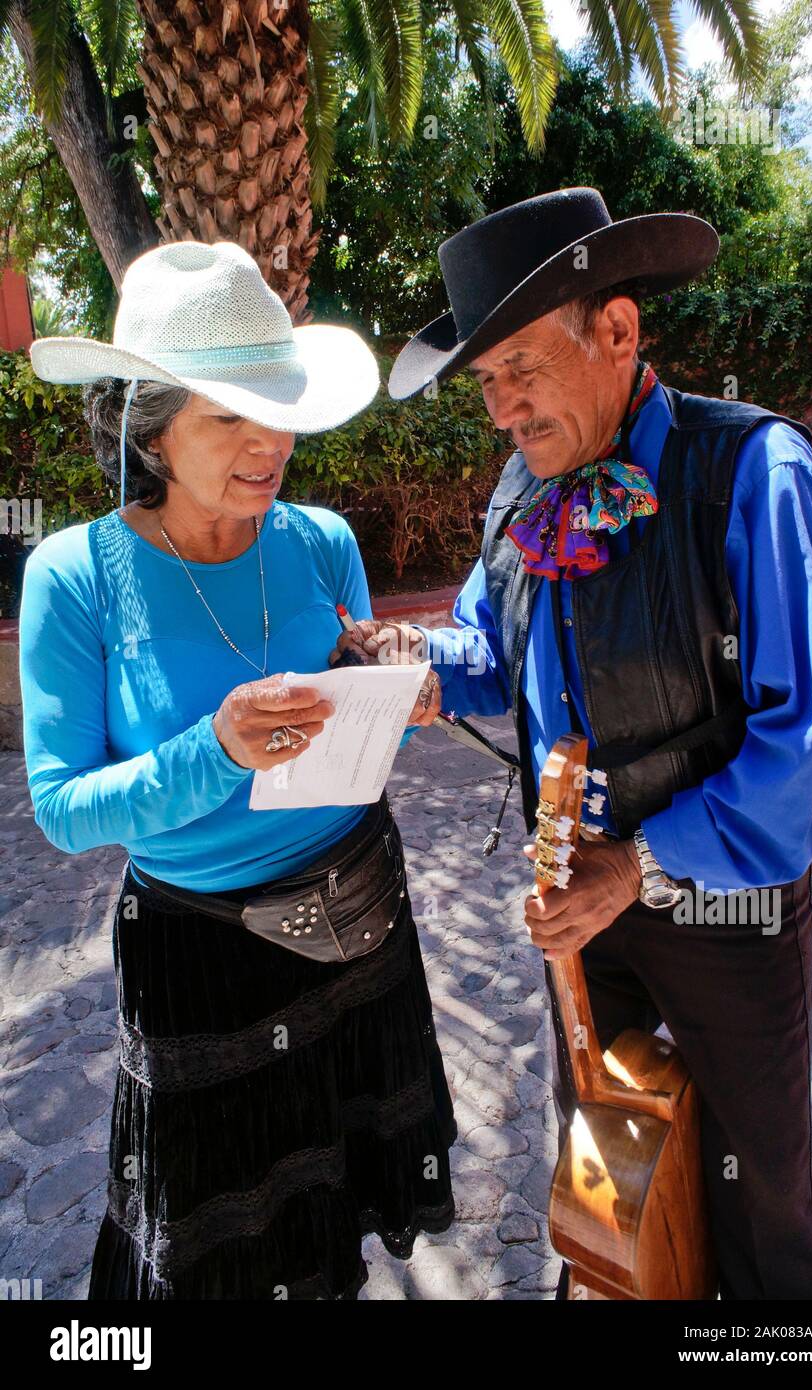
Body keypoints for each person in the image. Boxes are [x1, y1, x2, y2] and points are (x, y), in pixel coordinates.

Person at [333, 187, 812, 1299]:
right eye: (484, 383)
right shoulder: (521, 491)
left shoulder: (749, 473)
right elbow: (489, 642)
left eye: (519, 366)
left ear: (616, 332)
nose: (500, 411)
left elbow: (809, 742)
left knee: (760, 1191)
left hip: (724, 903)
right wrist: (416, 666)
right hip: (580, 901)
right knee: (609, 1189)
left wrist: (642, 861)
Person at [20, 239, 455, 1300]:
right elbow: (63, 809)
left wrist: (397, 689)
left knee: (334, 1212)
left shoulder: (317, 542)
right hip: (203, 966)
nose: (270, 445)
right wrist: (208, 749)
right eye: (228, 417)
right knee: (222, 1246)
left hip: (362, 925)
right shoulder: (74, 577)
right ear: (153, 429)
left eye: (279, 411)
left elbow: (352, 730)